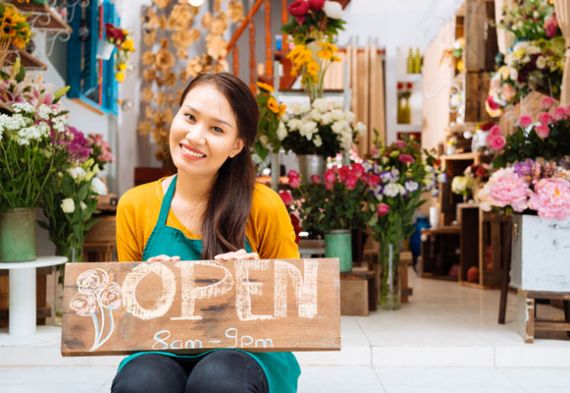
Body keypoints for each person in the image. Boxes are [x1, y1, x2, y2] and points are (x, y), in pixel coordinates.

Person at [112, 72, 301, 393]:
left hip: (248, 351)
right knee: (141, 382)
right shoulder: (135, 205)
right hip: (161, 344)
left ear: (237, 145)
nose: (195, 136)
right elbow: (121, 314)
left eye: (216, 129)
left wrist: (258, 282)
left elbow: (300, 305)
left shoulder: (263, 206)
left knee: (218, 379)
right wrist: (145, 286)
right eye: (189, 117)